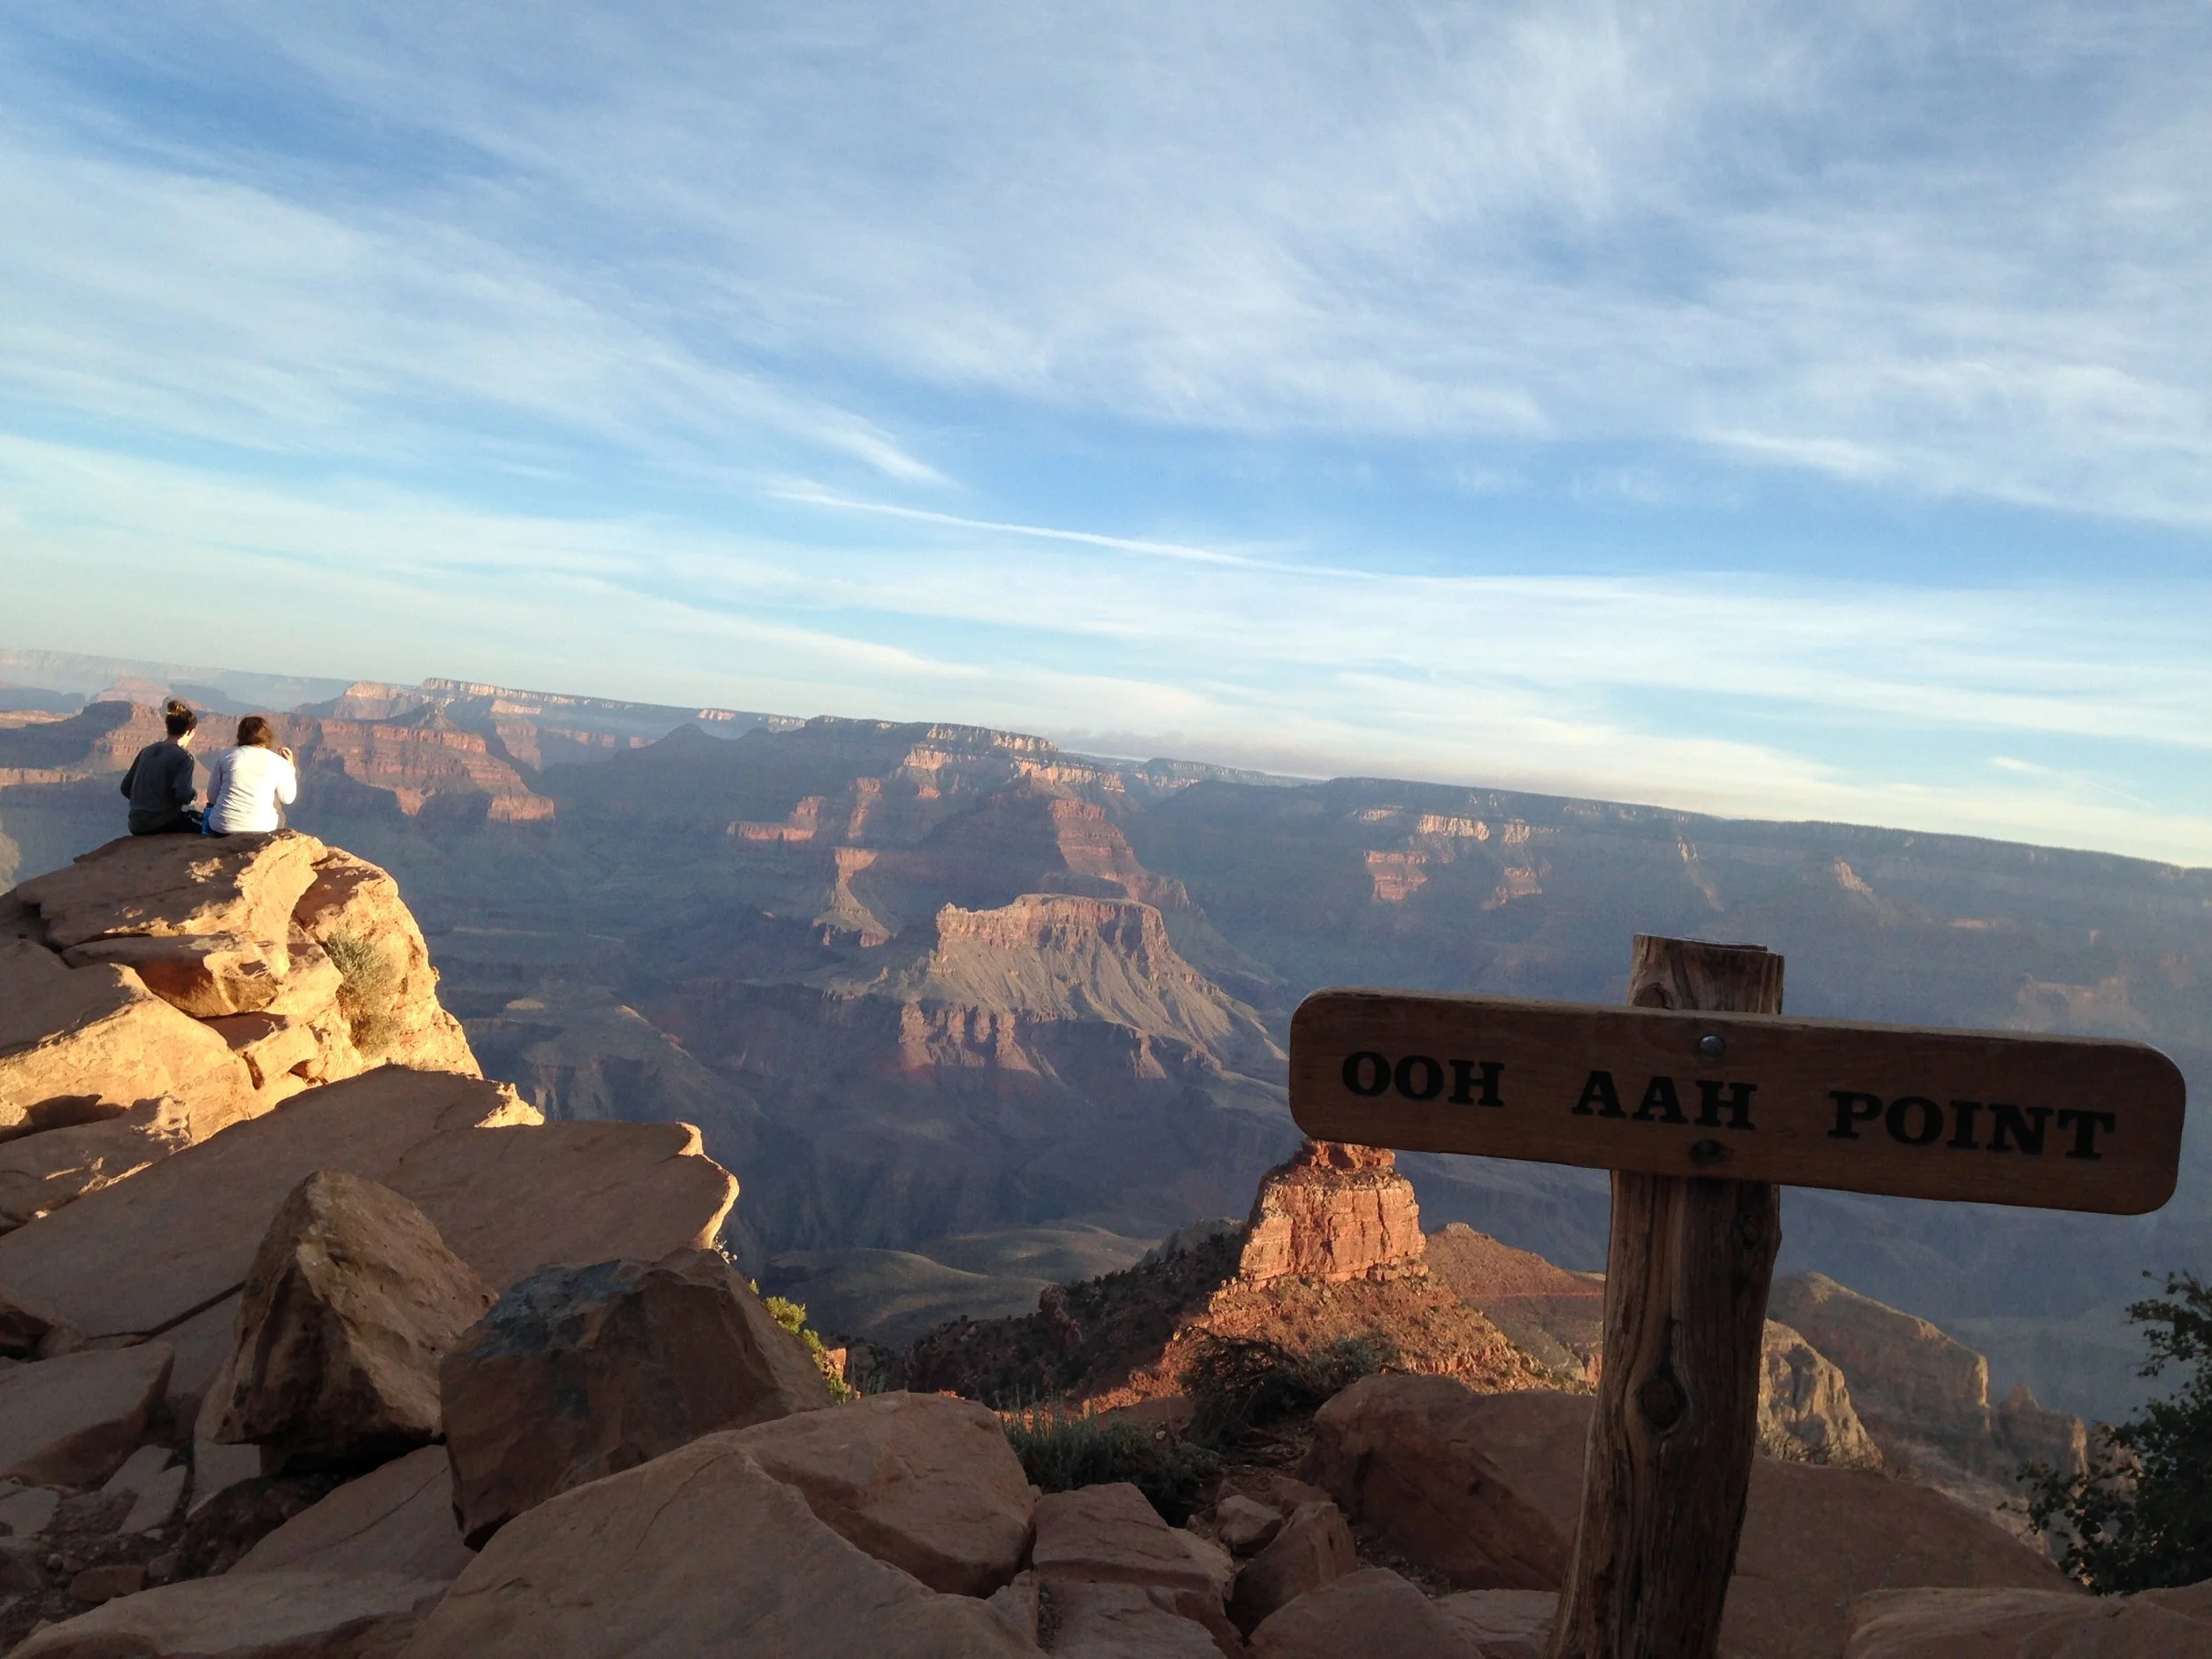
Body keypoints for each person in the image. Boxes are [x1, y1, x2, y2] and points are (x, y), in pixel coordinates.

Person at [202, 715, 298, 835]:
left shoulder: (226, 755)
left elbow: (212, 797)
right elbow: (288, 798)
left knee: (209, 809)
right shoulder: (279, 762)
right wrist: (290, 768)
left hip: (222, 827)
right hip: (261, 828)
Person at [120, 699, 204, 834]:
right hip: (162, 823)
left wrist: (146, 802)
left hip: (136, 824)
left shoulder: (146, 751)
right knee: (204, 830)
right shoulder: (184, 758)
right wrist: (194, 796)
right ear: (191, 731)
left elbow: (125, 787)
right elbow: (182, 794)